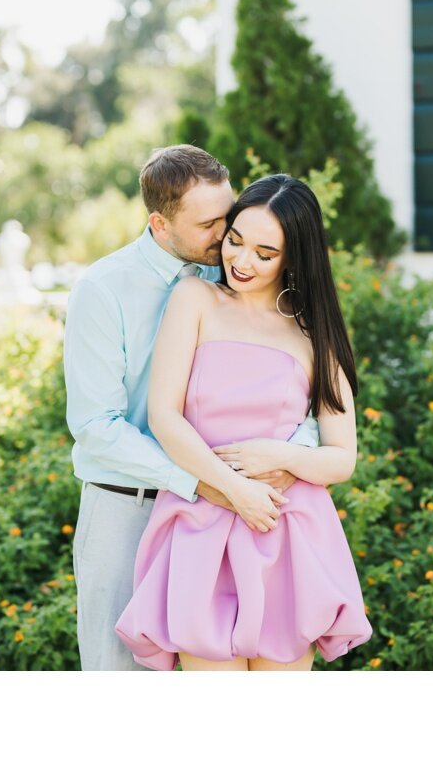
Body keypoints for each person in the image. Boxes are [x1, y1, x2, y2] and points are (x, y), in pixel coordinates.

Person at [64, 146, 321, 670]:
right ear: (160, 222)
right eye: (211, 224)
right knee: (122, 683)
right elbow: (95, 426)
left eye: (228, 217)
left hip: (223, 511)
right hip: (129, 507)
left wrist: (288, 456)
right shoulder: (102, 288)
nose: (227, 237)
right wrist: (205, 483)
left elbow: (294, 384)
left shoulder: (231, 274)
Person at [113, 174, 373, 669]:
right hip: (201, 524)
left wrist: (279, 456)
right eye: (235, 241)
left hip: (285, 530)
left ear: (294, 256)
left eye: (264, 253)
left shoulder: (314, 333)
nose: (241, 261)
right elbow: (166, 417)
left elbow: (342, 457)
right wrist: (236, 488)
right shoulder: (195, 298)